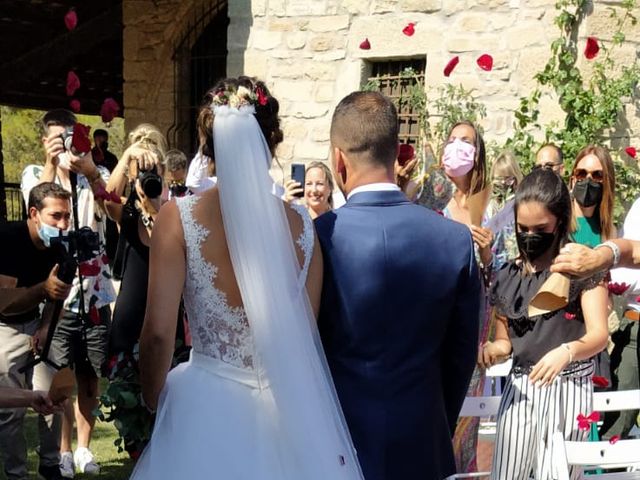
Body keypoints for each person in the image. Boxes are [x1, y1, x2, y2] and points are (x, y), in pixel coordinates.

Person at [131, 77, 363, 479]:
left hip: (204, 403)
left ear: (209, 143)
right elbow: (304, 336)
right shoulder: (303, 227)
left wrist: (153, 398)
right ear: (269, 141)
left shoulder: (177, 218)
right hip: (285, 412)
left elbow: (156, 333)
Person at [316, 91, 481, 480]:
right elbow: (461, 357)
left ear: (338, 160)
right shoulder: (455, 240)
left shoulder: (318, 238)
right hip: (423, 444)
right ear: (399, 155)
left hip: (339, 446)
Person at [480, 168, 609, 480]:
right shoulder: (509, 275)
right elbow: (505, 341)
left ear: (560, 222)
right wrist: (491, 350)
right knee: (507, 474)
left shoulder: (582, 266)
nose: (529, 236)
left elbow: (599, 335)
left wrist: (566, 352)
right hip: (522, 388)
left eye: (540, 228)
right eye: (522, 228)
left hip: (570, 386)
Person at [21, 109, 117, 478]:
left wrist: (89, 169)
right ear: (45, 140)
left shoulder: (92, 175)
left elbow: (112, 204)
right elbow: (36, 205)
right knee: (59, 374)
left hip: (94, 293)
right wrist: (50, 163)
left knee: (90, 375)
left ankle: (83, 449)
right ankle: (60, 452)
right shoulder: (35, 173)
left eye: (69, 137)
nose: (65, 146)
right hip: (58, 294)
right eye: (57, 138)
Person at [0, 182, 73, 480]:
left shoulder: (60, 248)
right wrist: (43, 289)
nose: (63, 224)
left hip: (36, 324)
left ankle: (50, 464)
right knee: (10, 409)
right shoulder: (8, 240)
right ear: (34, 213)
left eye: (67, 216)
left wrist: (45, 327)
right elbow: (4, 303)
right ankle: (17, 473)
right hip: (5, 327)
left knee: (53, 395)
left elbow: (59, 297)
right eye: (56, 216)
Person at [104, 123, 167, 357]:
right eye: (140, 169)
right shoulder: (127, 212)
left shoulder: (175, 211)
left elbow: (164, 241)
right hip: (129, 316)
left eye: (152, 169)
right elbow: (108, 199)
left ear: (163, 171)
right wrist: (127, 155)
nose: (146, 174)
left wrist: (153, 205)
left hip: (163, 310)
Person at [568, 145, 616, 247]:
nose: (588, 179)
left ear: (607, 183)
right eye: (581, 173)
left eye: (597, 175)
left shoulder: (609, 232)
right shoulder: (558, 222)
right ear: (573, 180)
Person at [486, 150, 524, 272]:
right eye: (499, 179)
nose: (503, 183)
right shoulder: (487, 208)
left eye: (508, 179)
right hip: (493, 272)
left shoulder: (522, 206)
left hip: (517, 271)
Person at [91, 129, 119, 265]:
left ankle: (110, 256)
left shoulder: (112, 158)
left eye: (103, 140)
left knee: (111, 227)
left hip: (108, 197)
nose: (101, 143)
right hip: (92, 198)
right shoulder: (89, 157)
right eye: (98, 139)